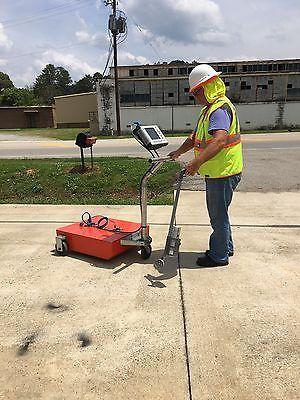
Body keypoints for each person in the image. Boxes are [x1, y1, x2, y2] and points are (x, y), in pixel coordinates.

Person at [169, 64, 243, 267]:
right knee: (221, 214)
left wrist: (196, 163)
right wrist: (179, 152)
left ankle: (218, 256)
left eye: (196, 92)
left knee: (217, 216)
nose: (195, 97)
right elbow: (195, 138)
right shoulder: (209, 110)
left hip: (223, 172)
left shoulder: (219, 110)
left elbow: (219, 141)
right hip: (220, 171)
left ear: (206, 88)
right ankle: (225, 247)